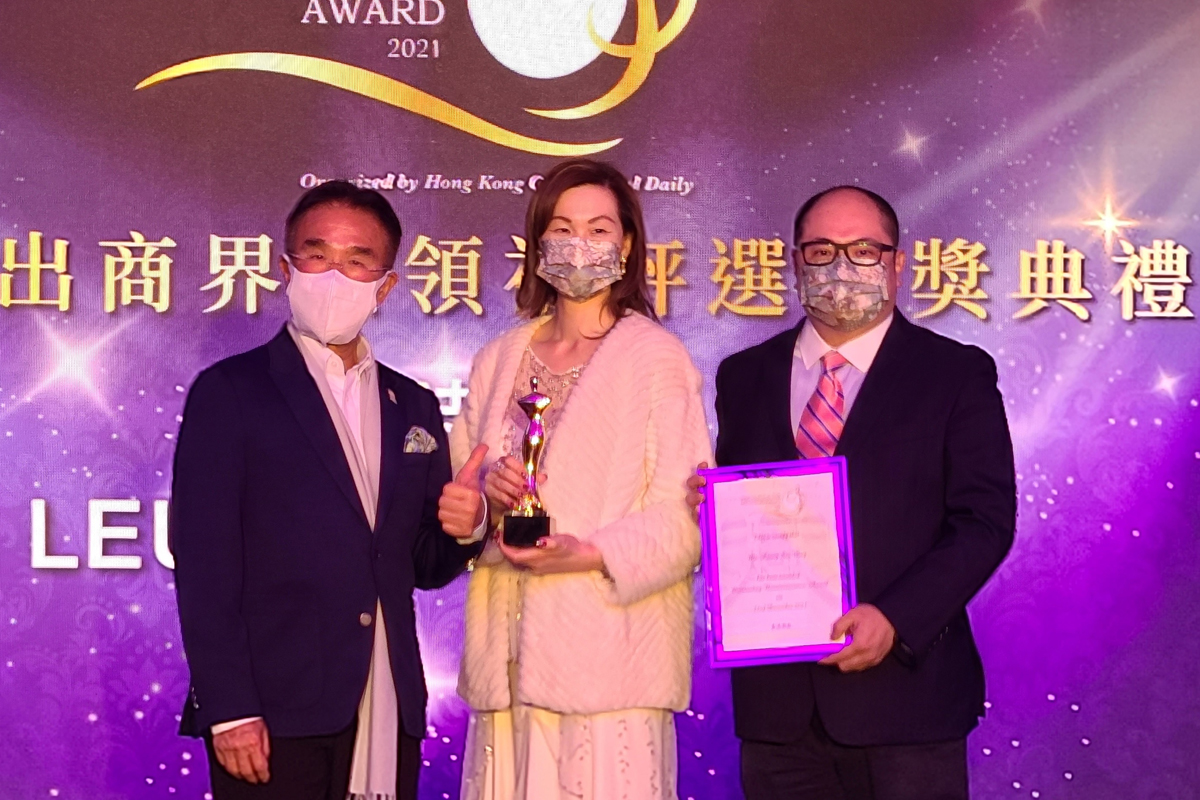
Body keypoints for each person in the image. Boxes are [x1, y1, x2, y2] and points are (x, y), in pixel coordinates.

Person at [688, 186, 1016, 800]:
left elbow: (984, 522)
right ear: (795, 263)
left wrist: (896, 618)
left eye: (864, 250)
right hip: (778, 710)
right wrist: (708, 514)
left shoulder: (955, 373)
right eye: (821, 251)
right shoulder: (744, 375)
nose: (841, 267)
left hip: (907, 704)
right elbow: (748, 513)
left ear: (898, 263)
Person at [171, 180, 489, 800]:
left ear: (385, 285)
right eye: (317, 255)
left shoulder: (413, 404)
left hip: (385, 701)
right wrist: (229, 709)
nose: (335, 276)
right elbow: (204, 564)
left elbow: (421, 565)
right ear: (286, 268)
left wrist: (468, 526)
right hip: (271, 712)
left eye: (357, 261)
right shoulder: (231, 391)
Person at [450, 158, 712, 800]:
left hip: (609, 668)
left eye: (599, 230)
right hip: (506, 671)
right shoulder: (499, 358)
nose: (580, 245)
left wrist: (588, 553)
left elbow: (686, 523)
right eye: (562, 228)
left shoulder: (656, 358)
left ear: (627, 244)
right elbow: (464, 498)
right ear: (538, 242)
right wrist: (481, 506)